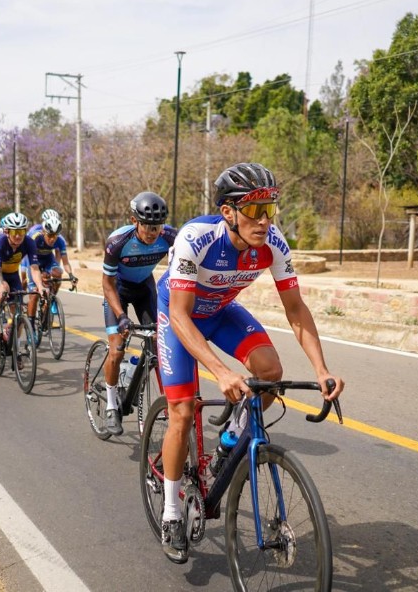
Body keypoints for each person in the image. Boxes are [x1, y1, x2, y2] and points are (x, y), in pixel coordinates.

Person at [154, 162, 345, 564]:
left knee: (270, 374)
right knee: (182, 411)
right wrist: (220, 371)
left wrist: (321, 369)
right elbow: (181, 314)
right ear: (228, 212)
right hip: (179, 315)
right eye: (254, 210)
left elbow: (296, 309)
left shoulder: (273, 243)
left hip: (221, 312)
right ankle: (171, 511)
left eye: (270, 208)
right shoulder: (197, 237)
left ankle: (229, 442)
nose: (264, 220)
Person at [101, 191, 176, 436]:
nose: (153, 232)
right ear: (135, 222)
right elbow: (107, 284)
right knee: (117, 348)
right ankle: (112, 405)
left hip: (145, 288)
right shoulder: (118, 242)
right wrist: (121, 315)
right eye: (147, 226)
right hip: (118, 290)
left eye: (157, 226)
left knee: (158, 343)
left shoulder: (170, 236)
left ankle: (133, 371)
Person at [0, 212, 46, 338]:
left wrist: (40, 286)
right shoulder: (0, 242)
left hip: (12, 274)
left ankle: (14, 347)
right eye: (14, 232)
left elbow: (34, 268)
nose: (18, 236)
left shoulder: (29, 242)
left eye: (22, 232)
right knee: (3, 290)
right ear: (7, 232)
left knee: (18, 313)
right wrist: (1, 285)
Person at [23, 210, 77, 325]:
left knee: (58, 273)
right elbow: (26, 257)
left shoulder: (60, 240)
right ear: (43, 232)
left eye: (55, 236)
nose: (53, 239)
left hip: (48, 260)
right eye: (50, 235)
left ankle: (51, 298)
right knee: (34, 294)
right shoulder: (35, 237)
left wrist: (71, 275)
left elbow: (65, 262)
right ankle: (31, 325)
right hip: (33, 261)